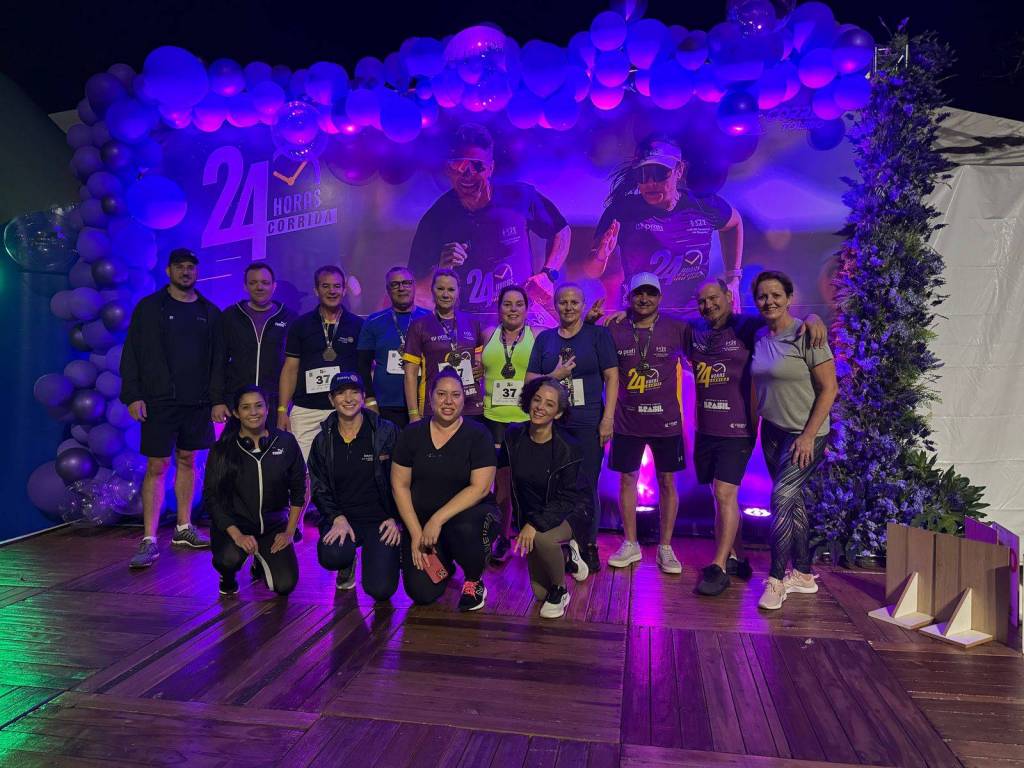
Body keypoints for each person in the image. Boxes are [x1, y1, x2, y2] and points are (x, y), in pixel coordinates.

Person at [407, 123, 571, 324]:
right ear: (448, 169)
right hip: (469, 326)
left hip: (521, 316)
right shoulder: (435, 219)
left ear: (491, 168)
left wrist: (548, 274)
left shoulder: (519, 197)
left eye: (477, 166)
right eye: (459, 165)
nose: (467, 174)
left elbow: (561, 230)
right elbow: (416, 293)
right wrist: (442, 269)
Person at [120, 248, 222, 569]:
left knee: (189, 460)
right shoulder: (150, 308)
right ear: (168, 271)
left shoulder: (210, 311)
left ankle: (183, 528)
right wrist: (133, 395)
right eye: (180, 267)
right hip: (159, 400)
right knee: (157, 465)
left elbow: (218, 362)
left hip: (197, 402)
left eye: (191, 267)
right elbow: (132, 353)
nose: (186, 272)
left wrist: (216, 399)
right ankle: (149, 539)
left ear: (197, 271)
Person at [749, 271, 838, 611]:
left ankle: (775, 580)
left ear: (789, 298)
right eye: (762, 296)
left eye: (776, 295)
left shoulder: (807, 334)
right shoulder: (758, 335)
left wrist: (808, 435)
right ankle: (802, 573)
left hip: (806, 434)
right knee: (792, 501)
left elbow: (829, 389)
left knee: (780, 498)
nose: (769, 301)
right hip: (772, 431)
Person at [585, 136, 744, 315]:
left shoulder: (702, 205)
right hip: (640, 316)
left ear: (679, 170)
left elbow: (734, 223)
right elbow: (591, 272)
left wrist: (734, 279)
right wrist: (601, 255)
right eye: (643, 175)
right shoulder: (622, 211)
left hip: (693, 316)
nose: (650, 183)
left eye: (659, 173)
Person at [526, 283, 618, 572]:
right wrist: (555, 374)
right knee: (556, 486)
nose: (568, 307)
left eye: (574, 302)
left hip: (589, 423)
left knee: (587, 485)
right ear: (554, 305)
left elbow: (612, 377)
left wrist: (608, 418)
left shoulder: (598, 336)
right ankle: (560, 543)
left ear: (582, 305)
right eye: (563, 302)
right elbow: (529, 380)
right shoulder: (545, 340)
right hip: (554, 426)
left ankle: (588, 544)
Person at [391, 368, 498, 611]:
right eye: (441, 394)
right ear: (430, 398)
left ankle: (473, 580)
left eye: (455, 395)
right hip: (423, 526)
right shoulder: (411, 434)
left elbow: (480, 488)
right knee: (421, 592)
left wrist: (437, 519)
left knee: (467, 528)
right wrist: (416, 533)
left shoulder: (478, 434)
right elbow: (400, 485)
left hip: (466, 519)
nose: (448, 401)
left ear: (463, 398)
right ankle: (445, 560)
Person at [604, 273, 687, 574]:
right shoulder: (615, 328)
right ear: (629, 297)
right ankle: (631, 543)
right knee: (627, 478)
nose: (644, 299)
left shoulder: (677, 328)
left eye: (651, 293)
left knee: (667, 481)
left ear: (660, 298)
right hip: (627, 420)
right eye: (639, 293)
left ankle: (665, 547)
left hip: (666, 421)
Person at [501, 376, 593, 619]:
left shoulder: (568, 447)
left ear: (558, 413)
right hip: (535, 512)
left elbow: (567, 498)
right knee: (539, 592)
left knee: (542, 538)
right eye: (537, 399)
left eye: (549, 404)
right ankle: (567, 555)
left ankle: (561, 591)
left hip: (572, 509)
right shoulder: (513, 435)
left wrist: (534, 524)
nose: (540, 407)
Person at [203, 385, 305, 597]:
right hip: (235, 527)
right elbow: (212, 498)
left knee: (285, 585)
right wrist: (238, 536)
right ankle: (227, 577)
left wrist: (289, 531)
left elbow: (299, 490)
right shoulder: (222, 449)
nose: (253, 412)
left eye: (259, 406)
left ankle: (261, 560)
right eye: (246, 407)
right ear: (236, 413)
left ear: (267, 408)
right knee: (228, 560)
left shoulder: (286, 442)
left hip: (273, 527)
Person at [307, 373, 402, 599]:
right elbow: (319, 487)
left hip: (381, 520)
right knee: (333, 555)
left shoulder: (386, 432)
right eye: (341, 393)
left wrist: (396, 518)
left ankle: (382, 555)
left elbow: (405, 478)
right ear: (331, 399)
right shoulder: (323, 440)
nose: (348, 398)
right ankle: (346, 562)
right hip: (343, 520)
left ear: (363, 396)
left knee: (380, 590)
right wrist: (336, 518)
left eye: (354, 392)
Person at [278, 265, 363, 461]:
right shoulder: (300, 325)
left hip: (346, 409)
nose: (332, 291)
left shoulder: (358, 325)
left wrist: (366, 404)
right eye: (325, 286)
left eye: (337, 286)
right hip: (306, 410)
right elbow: (290, 369)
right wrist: (282, 410)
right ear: (316, 290)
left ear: (344, 290)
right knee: (304, 470)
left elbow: (365, 369)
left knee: (345, 468)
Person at [481, 285, 535, 561]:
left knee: (527, 483)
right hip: (493, 420)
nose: (513, 309)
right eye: (507, 304)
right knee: (500, 485)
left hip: (526, 420)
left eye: (518, 304)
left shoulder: (537, 336)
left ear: (527, 308)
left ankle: (534, 537)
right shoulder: (487, 334)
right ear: (498, 307)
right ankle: (501, 538)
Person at [402, 269, 486, 422]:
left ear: (458, 292)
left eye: (451, 289)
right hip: (435, 407)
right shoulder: (419, 326)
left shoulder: (472, 323)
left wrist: (481, 368)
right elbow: (410, 374)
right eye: (440, 289)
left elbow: (479, 360)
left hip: (470, 406)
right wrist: (413, 413)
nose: (445, 294)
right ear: (432, 290)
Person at [356, 266, 430, 429]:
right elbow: (362, 365)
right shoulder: (373, 322)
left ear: (414, 286)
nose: (401, 288)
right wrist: (370, 400)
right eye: (395, 284)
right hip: (385, 404)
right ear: (387, 289)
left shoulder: (430, 319)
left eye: (406, 283)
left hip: (424, 403)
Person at [221, 261, 296, 420]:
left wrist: (285, 405)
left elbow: (294, 365)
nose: (259, 287)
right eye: (253, 283)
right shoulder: (230, 316)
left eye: (265, 283)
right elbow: (218, 360)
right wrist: (218, 400)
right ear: (245, 286)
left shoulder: (289, 318)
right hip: (238, 403)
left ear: (274, 286)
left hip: (276, 403)